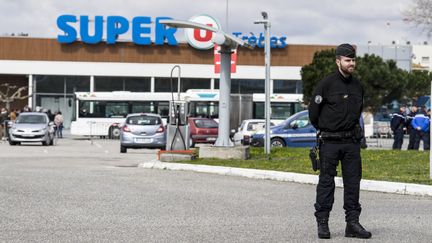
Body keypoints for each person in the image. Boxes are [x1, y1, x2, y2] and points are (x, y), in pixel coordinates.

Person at [308, 44, 371, 239]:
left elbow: (357, 112)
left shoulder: (358, 86)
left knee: (353, 183)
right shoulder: (326, 85)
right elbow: (313, 114)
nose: (351, 63)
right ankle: (323, 223)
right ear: (338, 61)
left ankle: (352, 224)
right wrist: (327, 129)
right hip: (330, 142)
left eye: (353, 60)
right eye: (347, 60)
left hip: (351, 142)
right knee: (326, 183)